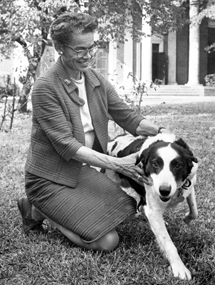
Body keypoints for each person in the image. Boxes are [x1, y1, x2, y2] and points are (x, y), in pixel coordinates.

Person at [17, 10, 169, 252]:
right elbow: (68, 146)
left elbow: (127, 117)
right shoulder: (45, 88)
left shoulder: (95, 79)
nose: (88, 55)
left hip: (81, 171)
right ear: (60, 49)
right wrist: (119, 165)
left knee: (129, 210)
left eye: (92, 46)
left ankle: (42, 209)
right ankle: (40, 207)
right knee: (108, 241)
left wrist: (161, 133)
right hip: (49, 178)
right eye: (79, 50)